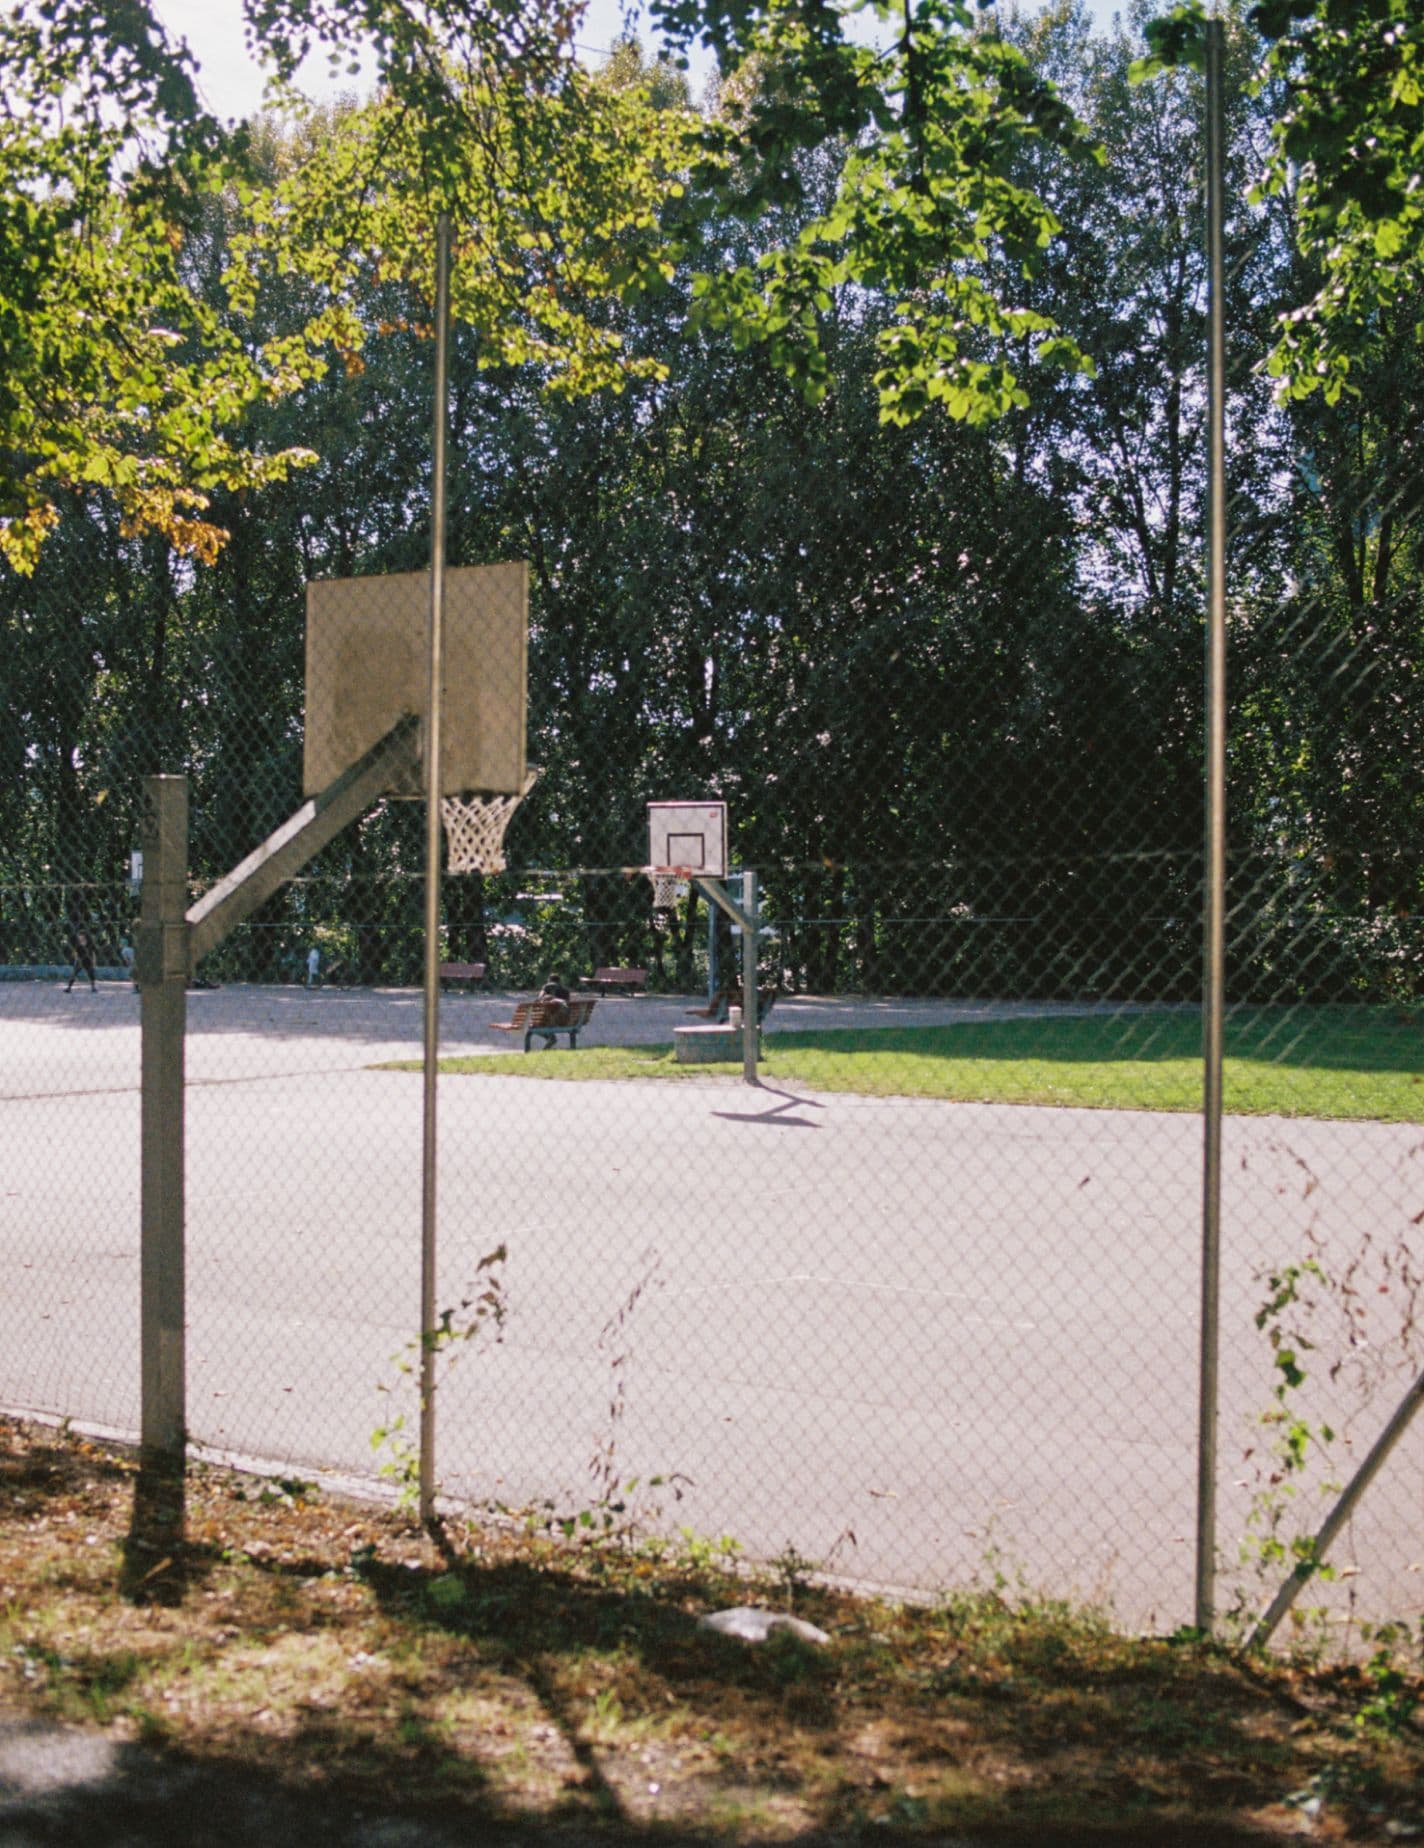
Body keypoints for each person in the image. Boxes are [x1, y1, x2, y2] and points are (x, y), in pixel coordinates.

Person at [535, 974, 571, 1048]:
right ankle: (551, 1039)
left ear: (549, 980)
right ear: (559, 981)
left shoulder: (547, 987)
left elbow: (539, 999)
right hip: (564, 1021)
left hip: (549, 1022)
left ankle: (551, 1038)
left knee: (532, 1027)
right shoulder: (566, 991)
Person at [65, 927, 97, 993]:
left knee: (91, 974)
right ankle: (69, 988)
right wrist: (75, 959)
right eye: (79, 936)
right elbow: (76, 953)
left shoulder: (90, 943)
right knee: (74, 974)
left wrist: (94, 962)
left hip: (88, 960)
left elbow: (94, 953)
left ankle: (93, 988)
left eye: (80, 935)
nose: (79, 937)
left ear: (85, 936)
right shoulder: (78, 944)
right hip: (80, 961)